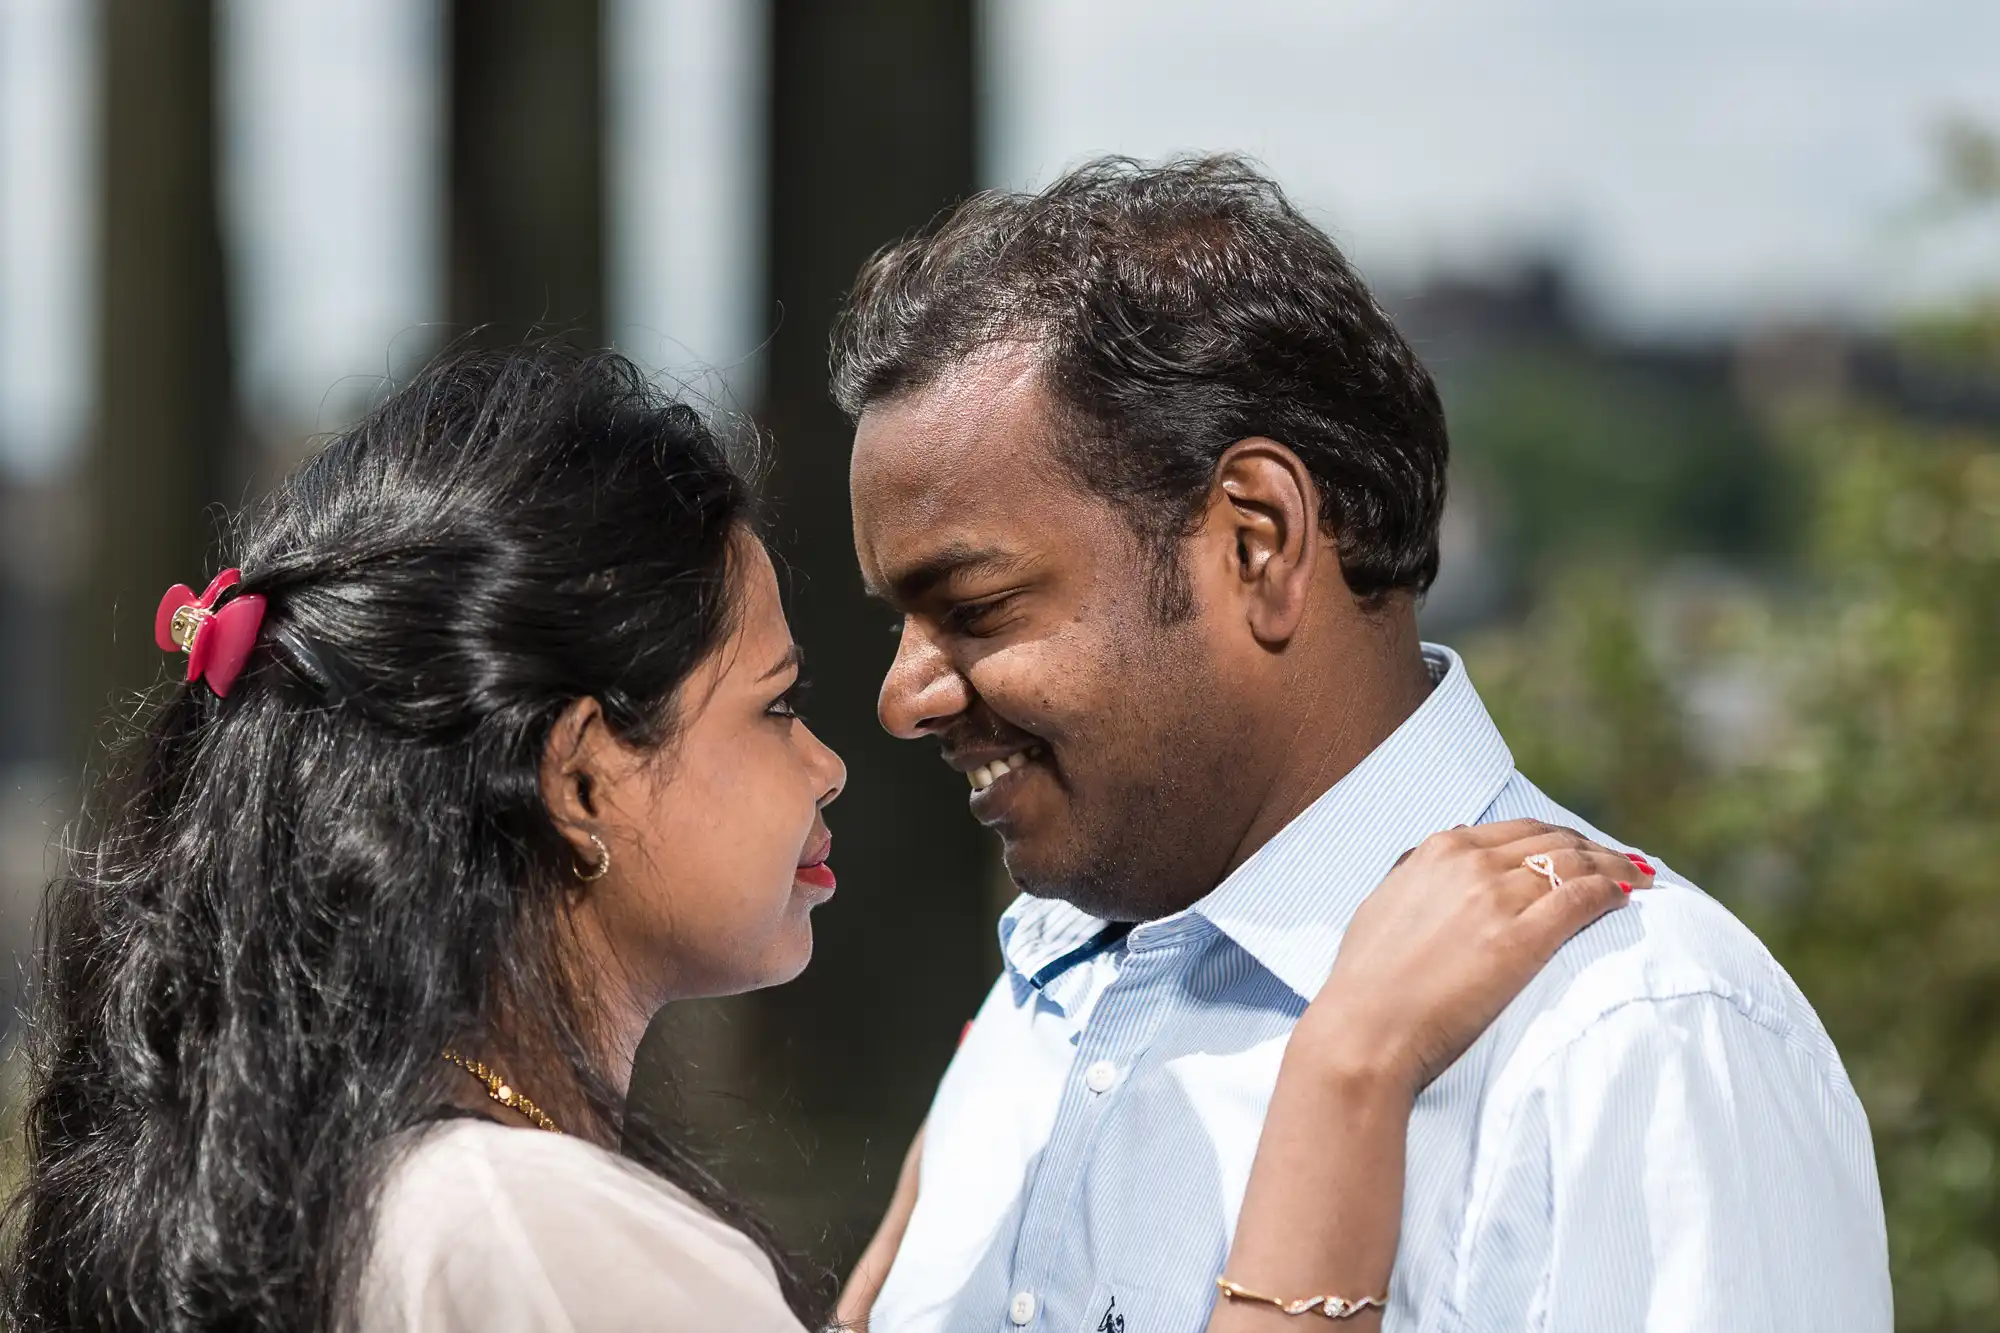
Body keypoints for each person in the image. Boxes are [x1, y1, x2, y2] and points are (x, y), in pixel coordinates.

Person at [0, 345, 1645, 1333]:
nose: (841, 761)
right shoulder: (523, 1230)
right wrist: (1345, 1085)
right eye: (776, 704)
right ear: (584, 779)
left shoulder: (365, 1191)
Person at [837, 156, 1893, 1333]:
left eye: (976, 607)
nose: (901, 697)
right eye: (900, 622)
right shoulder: (1033, 1008)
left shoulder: (1631, 1036)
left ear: (1256, 541)